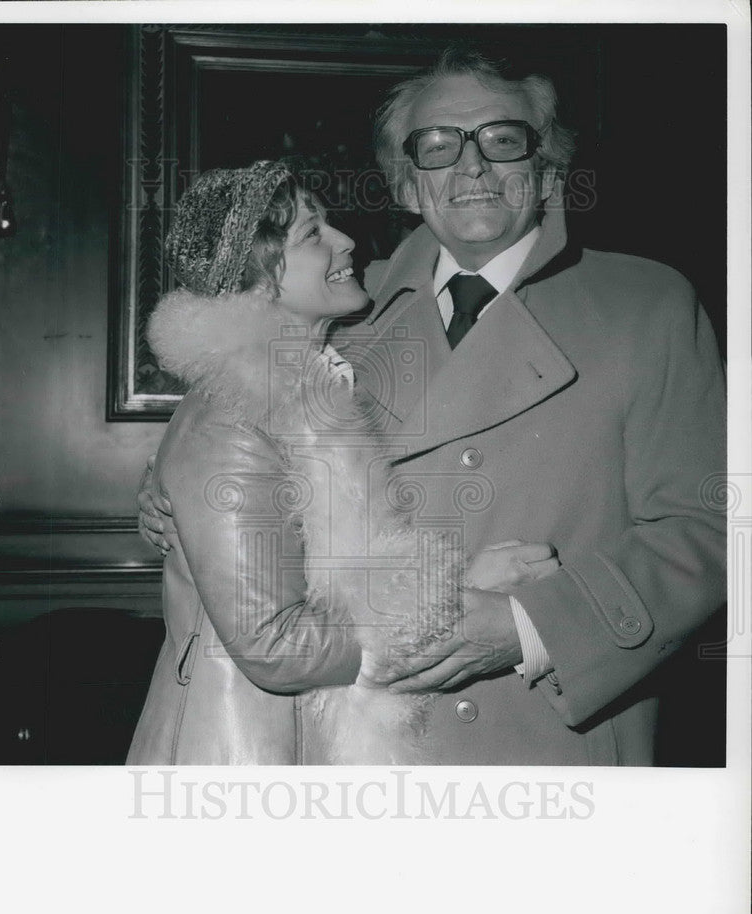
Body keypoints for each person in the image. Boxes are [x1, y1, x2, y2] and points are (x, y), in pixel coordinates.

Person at [139, 49, 726, 765]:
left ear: (546, 168)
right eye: (439, 145)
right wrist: (164, 496)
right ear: (407, 184)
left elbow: (709, 527)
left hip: (546, 735)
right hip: (351, 746)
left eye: (503, 139)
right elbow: (233, 450)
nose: (472, 166)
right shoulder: (336, 308)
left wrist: (532, 626)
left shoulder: (647, 305)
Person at [127, 160, 558, 765]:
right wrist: (458, 598)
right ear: (258, 281)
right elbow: (273, 645)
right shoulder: (235, 416)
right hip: (246, 759)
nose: (347, 240)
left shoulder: (302, 385)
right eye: (313, 234)